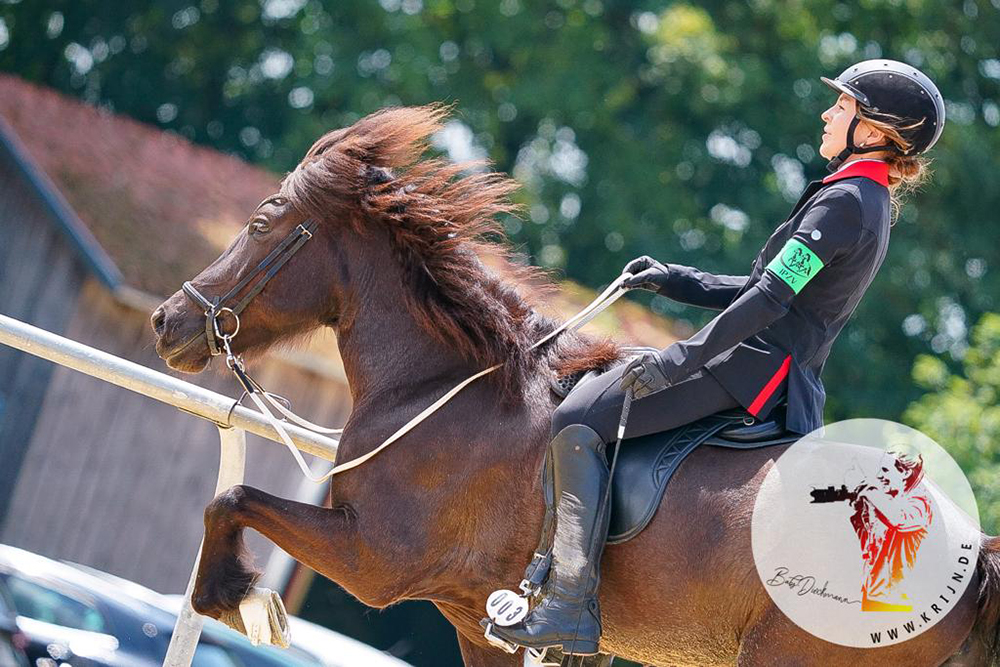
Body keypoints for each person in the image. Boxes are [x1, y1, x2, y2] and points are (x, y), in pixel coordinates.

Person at [490, 58, 946, 656]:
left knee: (578, 421)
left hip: (755, 369)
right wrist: (675, 280)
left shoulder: (848, 203)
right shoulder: (860, 197)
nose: (827, 114)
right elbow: (768, 285)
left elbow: (770, 300)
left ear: (876, 130)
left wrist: (679, 361)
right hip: (769, 364)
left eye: (842, 106)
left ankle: (569, 605)